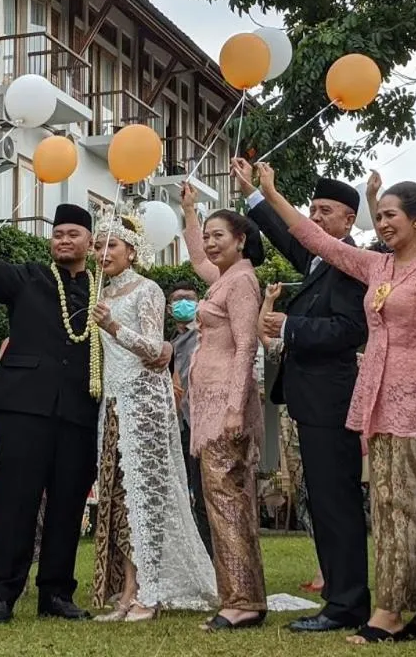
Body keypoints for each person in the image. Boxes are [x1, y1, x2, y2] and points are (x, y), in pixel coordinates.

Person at [256, 163, 416, 645]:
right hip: (375, 397)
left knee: (415, 503)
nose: (382, 224)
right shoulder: (376, 266)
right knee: (385, 507)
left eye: (391, 215)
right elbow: (310, 238)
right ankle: (390, 604)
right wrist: (268, 194)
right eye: (377, 215)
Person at [0, 187, 99, 624]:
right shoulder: (30, 277)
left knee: (68, 504)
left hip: (80, 412)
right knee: (15, 501)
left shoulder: (103, 289)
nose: (64, 241)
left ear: (89, 240)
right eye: (58, 234)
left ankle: (56, 593)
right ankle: (2, 594)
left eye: (73, 234)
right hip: (24, 408)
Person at [234, 157, 372, 633]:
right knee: (323, 499)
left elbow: (351, 329)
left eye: (325, 211)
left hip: (333, 400)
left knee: (337, 502)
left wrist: (290, 325)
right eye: (311, 208)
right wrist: (254, 194)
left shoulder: (352, 264)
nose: (314, 218)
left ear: (349, 220)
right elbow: (283, 234)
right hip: (309, 400)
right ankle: (338, 594)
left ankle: (347, 603)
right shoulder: (319, 260)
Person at [88, 210, 217, 621]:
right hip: (113, 403)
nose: (102, 252)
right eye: (99, 245)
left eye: (112, 245)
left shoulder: (149, 290)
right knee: (122, 498)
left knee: (147, 496)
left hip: (144, 403)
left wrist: (113, 328)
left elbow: (155, 350)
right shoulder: (101, 294)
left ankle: (150, 591)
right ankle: (127, 592)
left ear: (132, 251)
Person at [179, 184, 267, 631]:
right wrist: (190, 211)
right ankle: (241, 595)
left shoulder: (243, 283)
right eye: (209, 235)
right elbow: (197, 260)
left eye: (219, 236)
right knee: (221, 500)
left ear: (241, 240)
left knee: (228, 499)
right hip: (208, 401)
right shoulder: (224, 278)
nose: (212, 243)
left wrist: (235, 407)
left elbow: (247, 345)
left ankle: (243, 601)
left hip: (225, 404)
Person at [167, 279, 213, 556]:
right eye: (177, 299)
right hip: (181, 424)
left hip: (203, 423)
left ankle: (212, 556)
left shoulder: (205, 335)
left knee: (205, 494)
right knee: (187, 494)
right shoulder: (171, 343)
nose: (182, 303)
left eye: (188, 298)